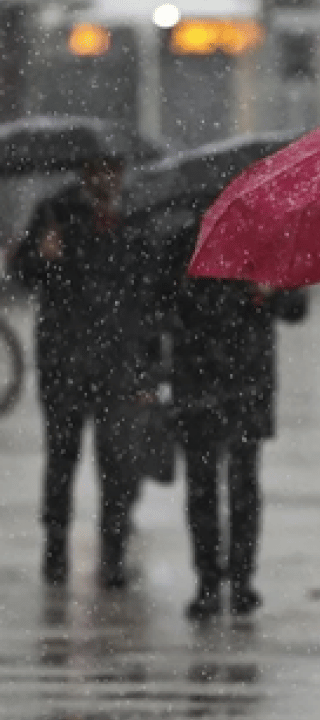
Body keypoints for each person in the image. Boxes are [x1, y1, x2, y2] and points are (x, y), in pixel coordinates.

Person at [8, 157, 151, 588]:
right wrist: (41, 254)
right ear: (86, 172)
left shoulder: (138, 216)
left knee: (118, 465)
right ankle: (55, 552)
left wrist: (145, 367)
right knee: (61, 461)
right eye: (99, 170)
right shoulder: (55, 212)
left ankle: (113, 556)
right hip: (64, 360)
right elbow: (21, 274)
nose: (107, 178)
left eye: (114, 170)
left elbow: (148, 295)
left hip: (117, 363)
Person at [159, 216, 308, 619]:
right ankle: (208, 581)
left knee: (244, 486)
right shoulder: (183, 243)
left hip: (248, 382)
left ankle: (242, 580)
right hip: (197, 383)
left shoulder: (267, 241)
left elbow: (296, 308)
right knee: (203, 488)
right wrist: (188, 293)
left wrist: (269, 293)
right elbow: (158, 304)